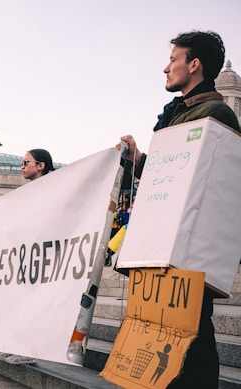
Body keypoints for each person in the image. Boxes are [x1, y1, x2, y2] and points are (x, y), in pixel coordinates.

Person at [117, 31, 240, 389]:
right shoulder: (180, 114)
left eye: (173, 59)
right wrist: (138, 158)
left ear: (194, 65)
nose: (166, 67)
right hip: (165, 245)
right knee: (172, 336)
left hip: (189, 251)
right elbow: (166, 175)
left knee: (194, 334)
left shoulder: (214, 113)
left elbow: (214, 185)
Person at [0, 149, 55, 365]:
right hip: (25, 252)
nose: (21, 166)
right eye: (21, 162)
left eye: (26, 162)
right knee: (19, 298)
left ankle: (31, 350)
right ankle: (16, 345)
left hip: (42, 253)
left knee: (33, 300)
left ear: (41, 166)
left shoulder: (53, 188)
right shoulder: (28, 191)